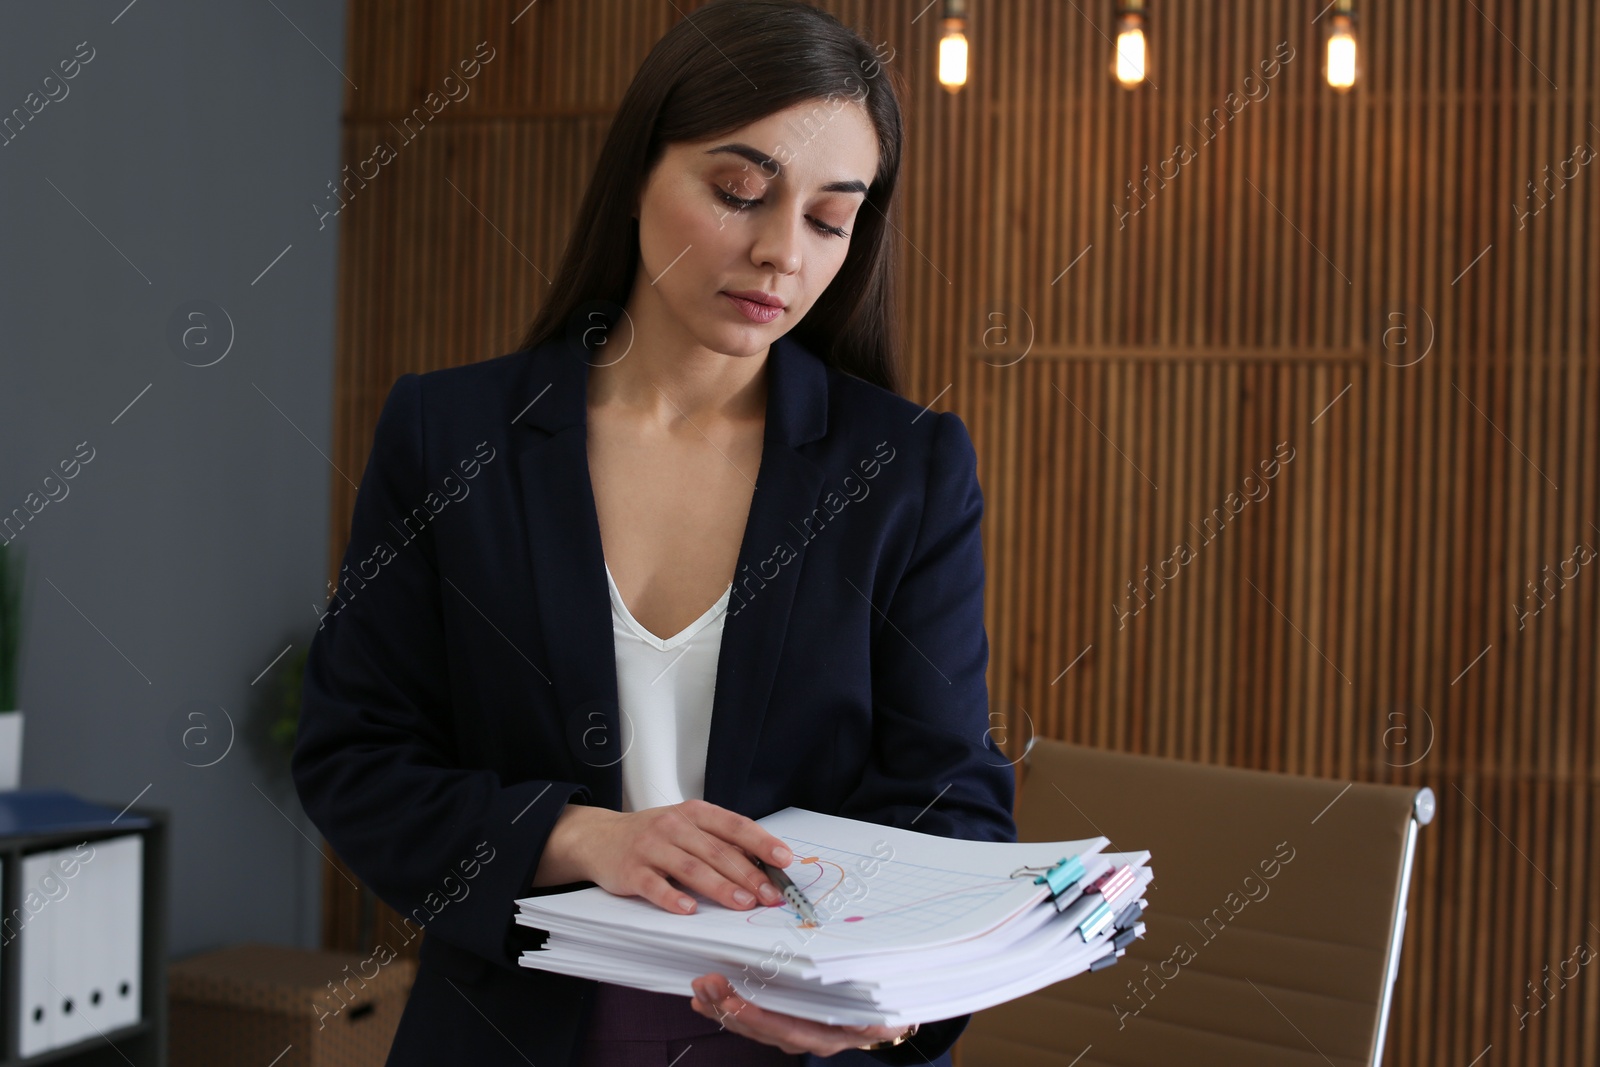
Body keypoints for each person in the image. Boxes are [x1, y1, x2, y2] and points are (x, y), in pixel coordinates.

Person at [290, 2, 1018, 1064]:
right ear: (638, 170)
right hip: (512, 1030)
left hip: (797, 1039)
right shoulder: (449, 435)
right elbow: (355, 757)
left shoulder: (905, 467)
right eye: (738, 192)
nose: (780, 252)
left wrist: (892, 1001)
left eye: (828, 218)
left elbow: (952, 803)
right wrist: (577, 833)